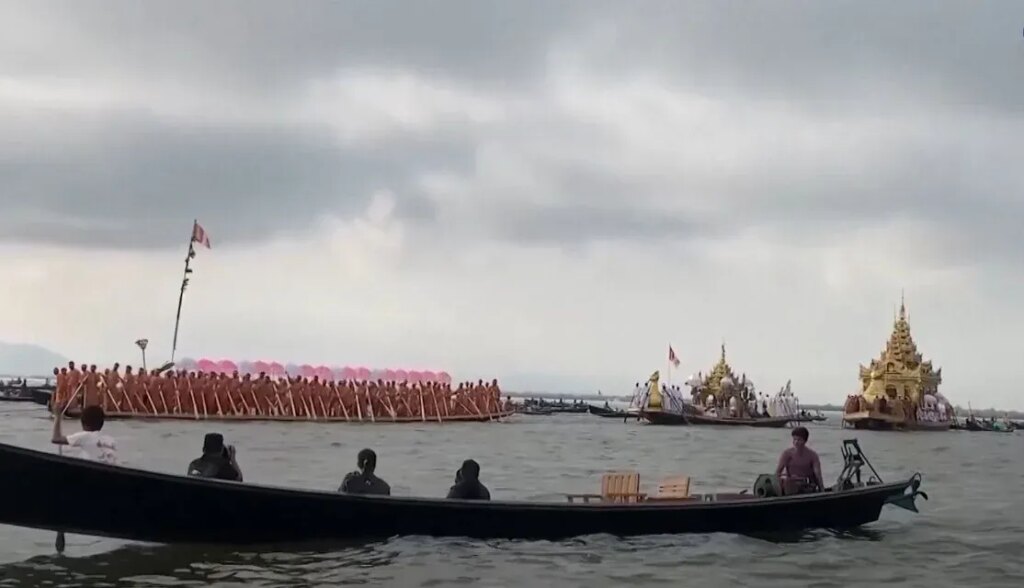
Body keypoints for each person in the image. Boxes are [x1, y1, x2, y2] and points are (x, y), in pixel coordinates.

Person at [51, 405, 118, 465]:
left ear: (84, 425)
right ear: (102, 424)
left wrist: (57, 416)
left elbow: (55, 439)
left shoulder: (85, 436)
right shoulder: (111, 440)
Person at [775, 426, 823, 492]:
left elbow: (818, 475)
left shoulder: (812, 455)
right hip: (791, 486)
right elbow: (778, 473)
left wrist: (821, 489)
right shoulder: (787, 454)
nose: (796, 442)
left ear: (805, 441)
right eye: (794, 439)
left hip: (807, 485)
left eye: (799, 440)